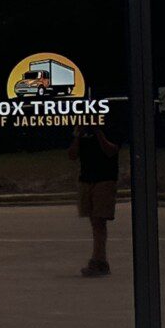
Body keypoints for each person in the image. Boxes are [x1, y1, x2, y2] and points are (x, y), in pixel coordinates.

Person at [74, 106, 122, 276]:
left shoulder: (110, 128)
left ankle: (99, 260)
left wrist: (98, 132)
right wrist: (78, 136)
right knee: (94, 221)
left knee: (99, 220)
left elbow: (111, 151)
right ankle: (100, 260)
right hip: (86, 179)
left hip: (105, 178)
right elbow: (72, 155)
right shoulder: (82, 132)